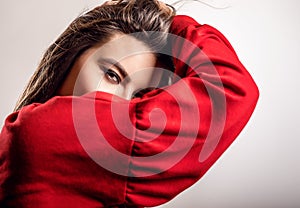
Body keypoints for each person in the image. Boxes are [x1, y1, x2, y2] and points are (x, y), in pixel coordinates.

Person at [0, 0, 259, 207]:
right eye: (112, 75)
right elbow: (230, 87)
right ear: (72, 53)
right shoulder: (41, 134)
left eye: (139, 98)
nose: (119, 104)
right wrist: (175, 27)